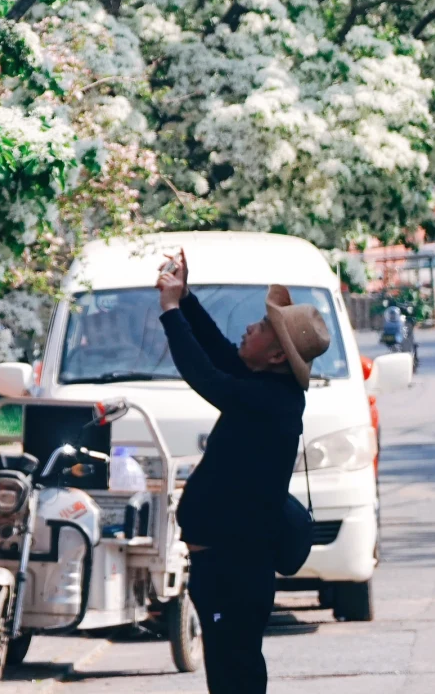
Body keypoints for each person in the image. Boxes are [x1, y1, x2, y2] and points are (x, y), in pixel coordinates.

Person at [156, 249, 330, 694]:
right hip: (225, 565)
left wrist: (172, 312)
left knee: (236, 675)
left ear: (275, 355)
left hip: (234, 567)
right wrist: (188, 298)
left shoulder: (270, 401)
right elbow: (216, 351)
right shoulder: (266, 385)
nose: (249, 327)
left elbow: (204, 375)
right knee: (233, 672)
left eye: (262, 327)